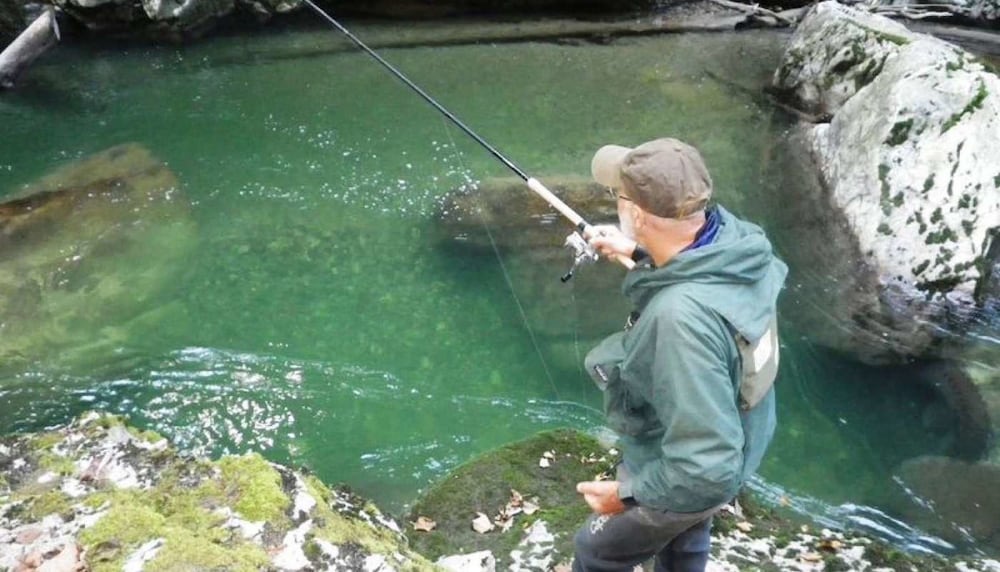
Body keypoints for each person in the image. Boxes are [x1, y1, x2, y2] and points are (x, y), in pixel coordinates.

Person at [571, 138, 787, 572]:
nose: (615, 202)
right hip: (744, 431)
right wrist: (638, 251)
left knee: (595, 550)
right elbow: (706, 282)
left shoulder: (680, 322)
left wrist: (624, 495)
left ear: (635, 213)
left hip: (699, 465)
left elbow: (704, 470)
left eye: (618, 196)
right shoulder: (739, 243)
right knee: (686, 533)